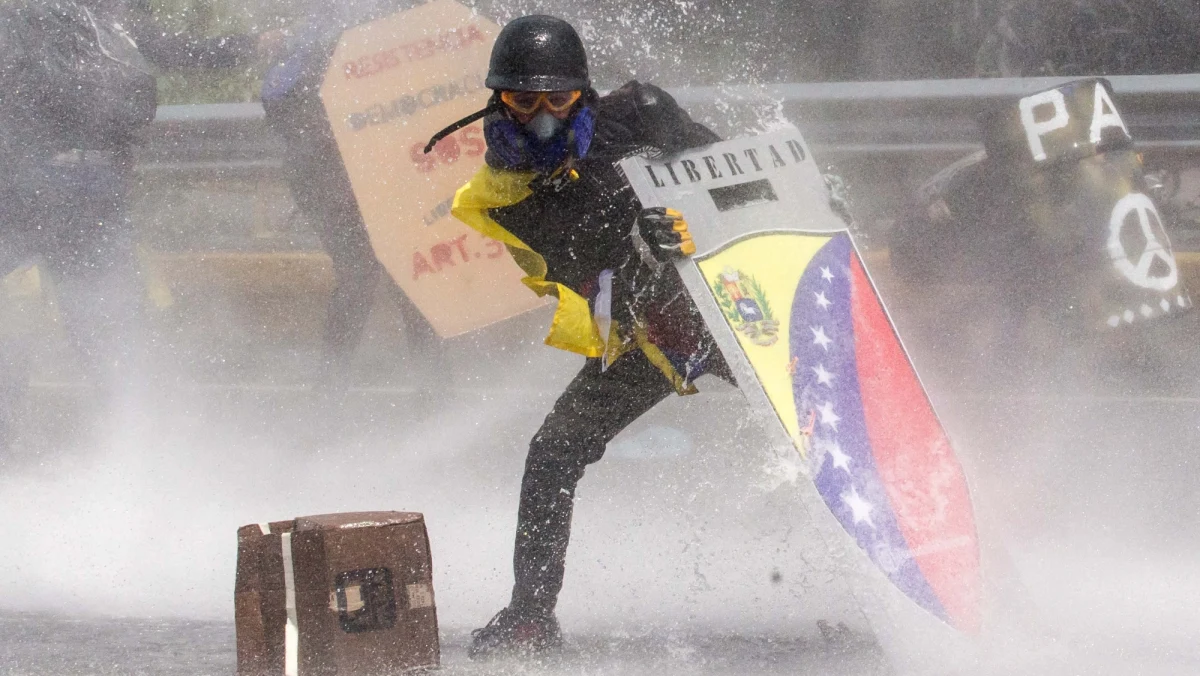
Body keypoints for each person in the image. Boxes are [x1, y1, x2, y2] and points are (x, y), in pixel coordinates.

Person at [430, 14, 729, 658]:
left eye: (557, 99)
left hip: (738, 306)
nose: (542, 117)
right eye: (522, 100)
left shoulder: (642, 115)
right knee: (553, 451)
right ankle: (530, 618)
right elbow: (591, 264)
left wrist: (691, 224)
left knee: (817, 432)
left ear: (583, 95)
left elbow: (738, 181)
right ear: (497, 103)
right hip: (660, 330)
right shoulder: (508, 196)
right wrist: (644, 249)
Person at [0, 0, 257, 450]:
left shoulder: (77, 18)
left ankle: (123, 441)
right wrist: (251, 44)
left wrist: (249, 44)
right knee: (101, 323)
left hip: (54, 189)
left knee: (95, 321)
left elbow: (178, 52)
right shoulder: (99, 20)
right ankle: (128, 441)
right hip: (69, 185)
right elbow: (181, 53)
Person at [259, 0, 440, 404]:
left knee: (405, 277)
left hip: (369, 168)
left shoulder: (377, 24)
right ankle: (335, 391)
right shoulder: (320, 31)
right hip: (331, 171)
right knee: (369, 275)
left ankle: (422, 390)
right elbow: (278, 95)